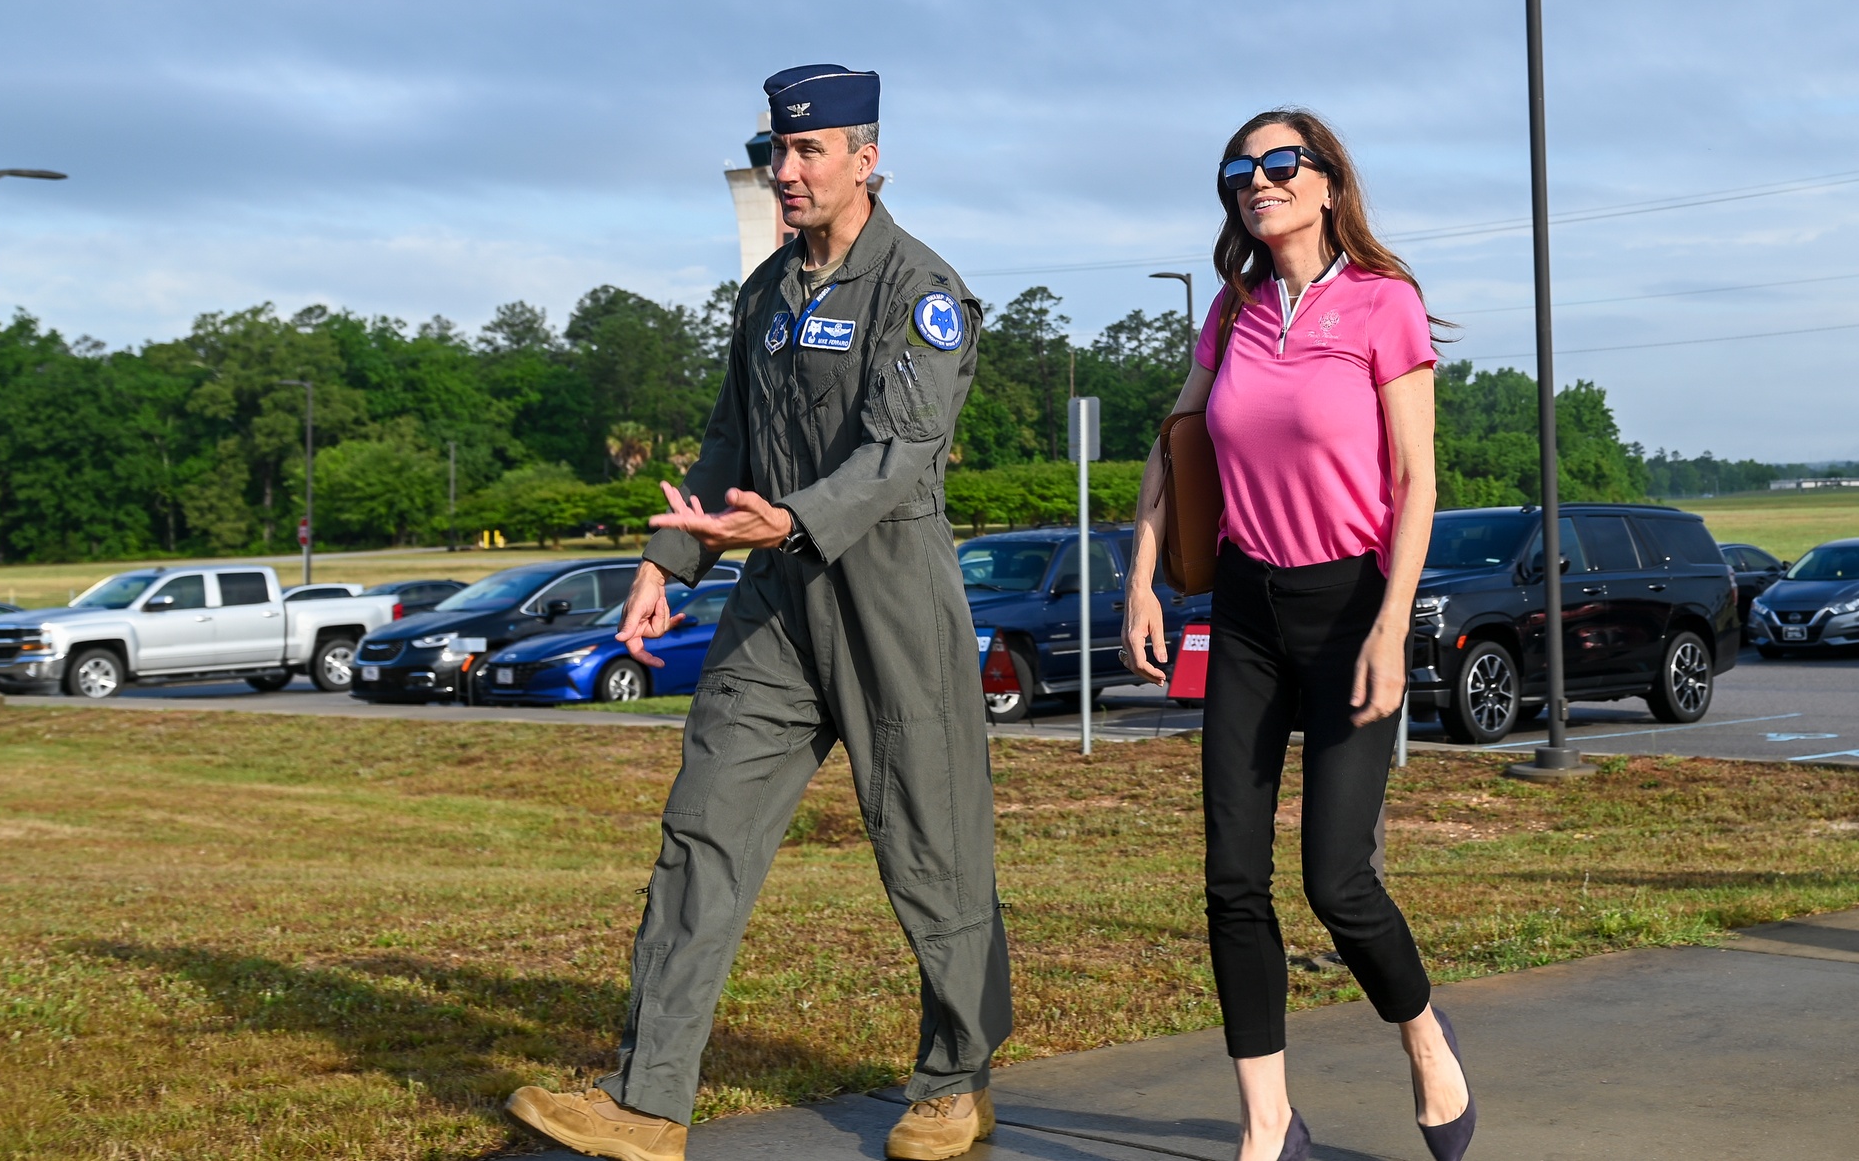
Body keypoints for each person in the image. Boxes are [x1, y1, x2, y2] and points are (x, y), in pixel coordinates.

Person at [505, 65, 1011, 1161]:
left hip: (888, 593)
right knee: (702, 830)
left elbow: (898, 456)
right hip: (774, 601)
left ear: (865, 158)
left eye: (808, 152)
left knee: (933, 850)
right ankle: (646, 1102)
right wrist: (669, 559)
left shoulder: (918, 290)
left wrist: (785, 521)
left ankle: (956, 1076)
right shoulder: (768, 293)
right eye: (774, 153)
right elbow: (726, 439)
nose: (784, 172)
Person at [1121, 109, 1474, 1161]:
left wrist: (1391, 625)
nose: (1258, 180)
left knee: (1336, 880)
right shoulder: (1231, 316)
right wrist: (1140, 580)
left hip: (1349, 609)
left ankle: (1423, 1039)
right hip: (1242, 608)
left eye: (1281, 163)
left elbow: (1414, 483)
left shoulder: (1382, 305)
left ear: (1326, 183)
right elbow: (1173, 445)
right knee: (1231, 874)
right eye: (1241, 169)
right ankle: (1267, 1124)